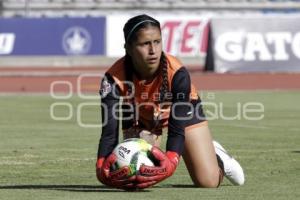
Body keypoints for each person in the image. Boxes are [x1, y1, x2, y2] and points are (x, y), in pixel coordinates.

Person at [96, 14, 245, 189]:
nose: (153, 50)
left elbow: (177, 128)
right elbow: (109, 133)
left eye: (157, 42)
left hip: (181, 114)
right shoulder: (112, 79)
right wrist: (101, 167)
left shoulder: (178, 73)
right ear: (128, 48)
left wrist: (172, 160)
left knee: (208, 182)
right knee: (137, 176)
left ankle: (217, 156)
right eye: (145, 44)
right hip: (141, 116)